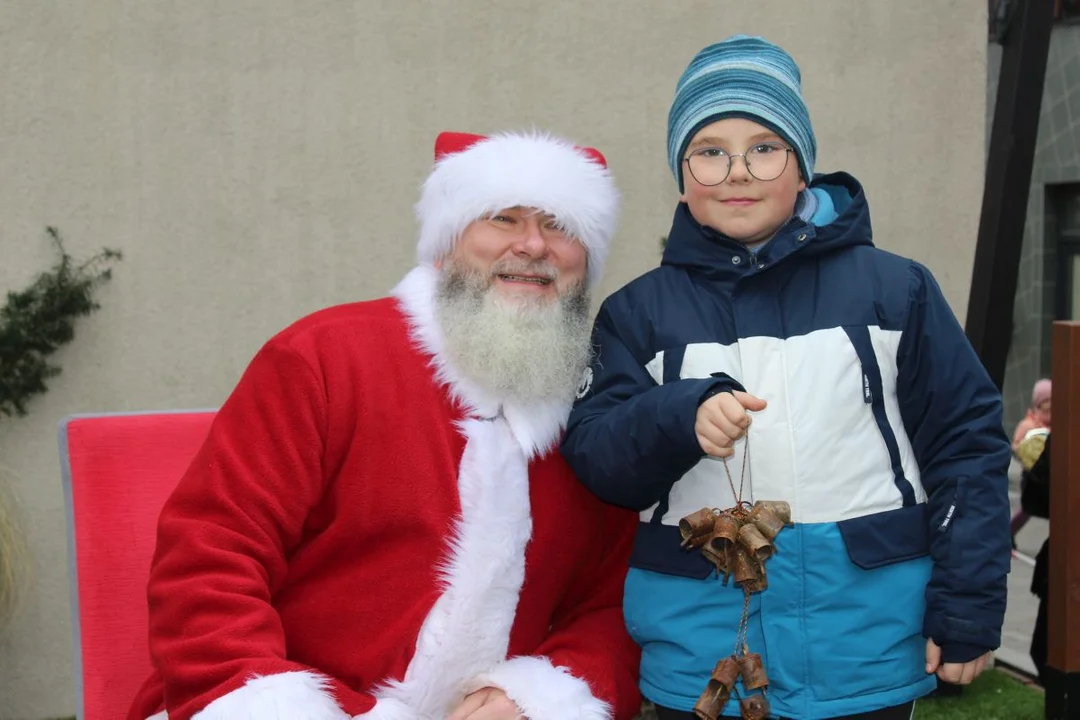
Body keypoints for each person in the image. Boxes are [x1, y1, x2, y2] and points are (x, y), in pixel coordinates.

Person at [561, 35, 1012, 720]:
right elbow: (599, 459)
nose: (737, 171)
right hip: (699, 653)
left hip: (865, 646)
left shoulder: (898, 291)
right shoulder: (635, 314)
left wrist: (969, 605)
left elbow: (967, 448)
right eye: (709, 151)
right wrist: (680, 415)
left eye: (764, 148)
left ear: (802, 166)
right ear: (681, 177)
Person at [127, 130, 642, 720]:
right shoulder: (323, 360)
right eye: (503, 219)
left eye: (560, 225)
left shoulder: (601, 411)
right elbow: (210, 561)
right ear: (447, 245)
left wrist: (535, 699)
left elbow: (614, 605)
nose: (533, 244)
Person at [1010, 378, 1051, 541]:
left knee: (1054, 508)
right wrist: (1024, 451)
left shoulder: (1055, 423)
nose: (1049, 410)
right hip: (1032, 475)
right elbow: (1016, 444)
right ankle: (1009, 532)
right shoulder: (1028, 425)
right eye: (1046, 405)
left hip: (1048, 474)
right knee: (1028, 509)